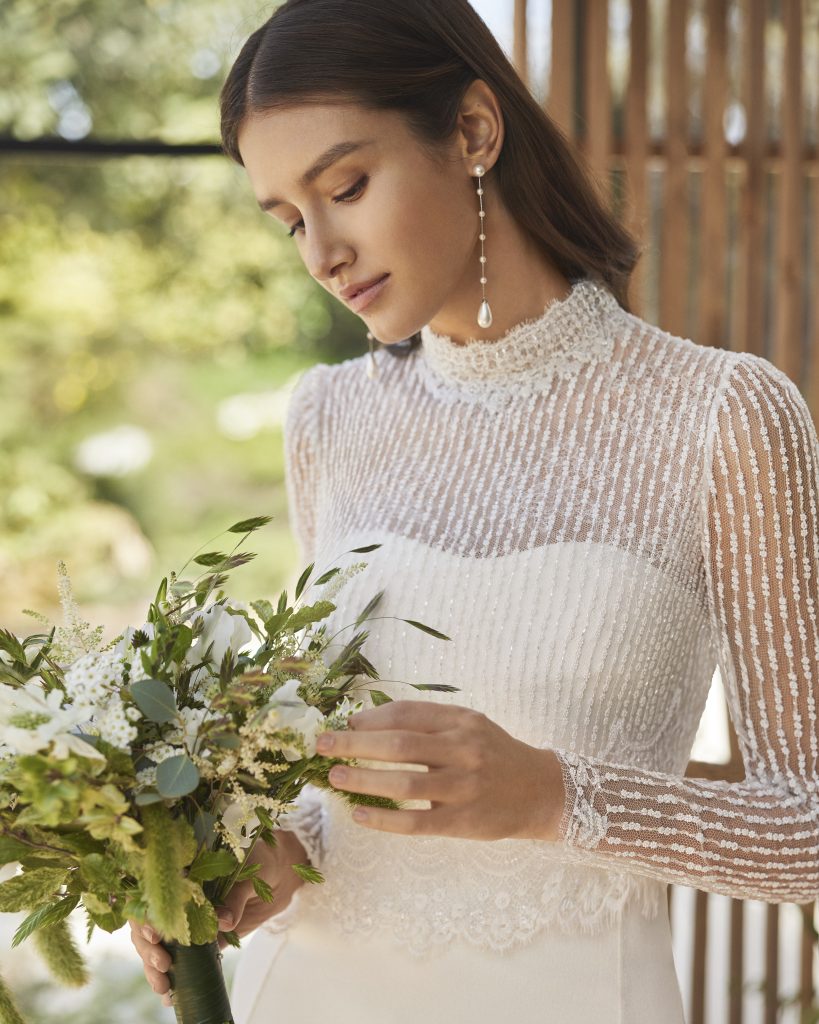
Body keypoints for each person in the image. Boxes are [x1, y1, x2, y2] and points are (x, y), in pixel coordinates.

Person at [130, 0, 819, 1020]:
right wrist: (267, 858)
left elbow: (806, 832)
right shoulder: (330, 417)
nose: (320, 251)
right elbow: (345, 793)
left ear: (473, 132)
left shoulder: (722, 416)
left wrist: (553, 796)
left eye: (346, 186)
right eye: (287, 219)